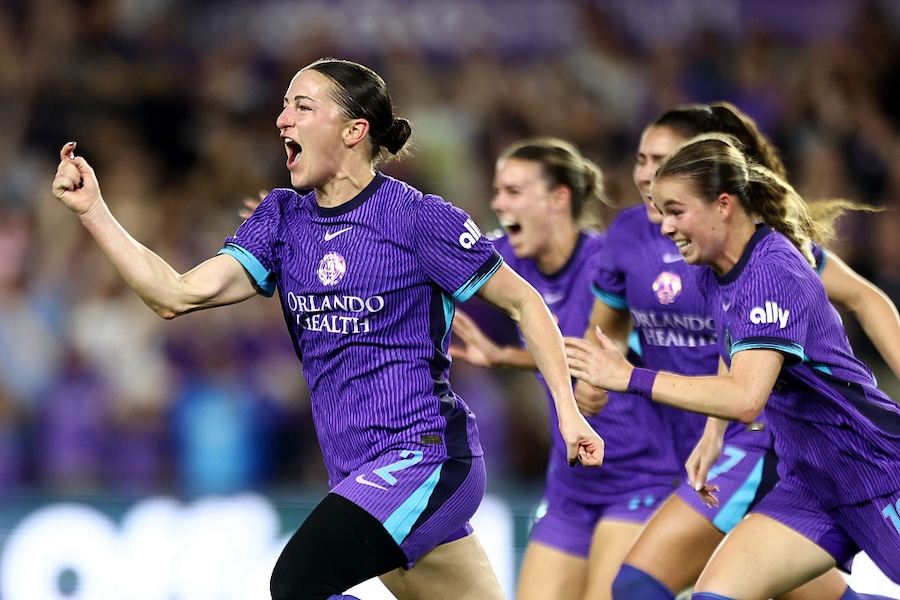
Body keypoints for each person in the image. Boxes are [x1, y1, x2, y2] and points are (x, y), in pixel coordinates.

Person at [51, 57, 605, 600]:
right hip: (355, 473)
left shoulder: (418, 218)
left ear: (353, 130)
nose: (281, 120)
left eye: (302, 107)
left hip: (424, 459)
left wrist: (568, 411)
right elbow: (175, 294)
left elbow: (525, 302)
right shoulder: (282, 219)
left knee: (298, 583)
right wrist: (94, 210)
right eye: (283, 107)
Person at [576, 102, 900, 600]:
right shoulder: (715, 269)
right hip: (810, 480)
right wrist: (712, 435)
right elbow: (734, 350)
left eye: (676, 211)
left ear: (723, 204)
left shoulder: (773, 271)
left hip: (871, 467)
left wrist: (630, 378)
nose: (665, 226)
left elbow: (747, 398)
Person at [448, 137, 681, 600]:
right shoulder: (509, 260)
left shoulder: (609, 265)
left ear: (559, 198)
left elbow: (617, 356)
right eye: (497, 191)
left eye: (514, 191)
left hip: (641, 475)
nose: (498, 203)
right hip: (571, 484)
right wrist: (508, 356)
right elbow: (429, 259)